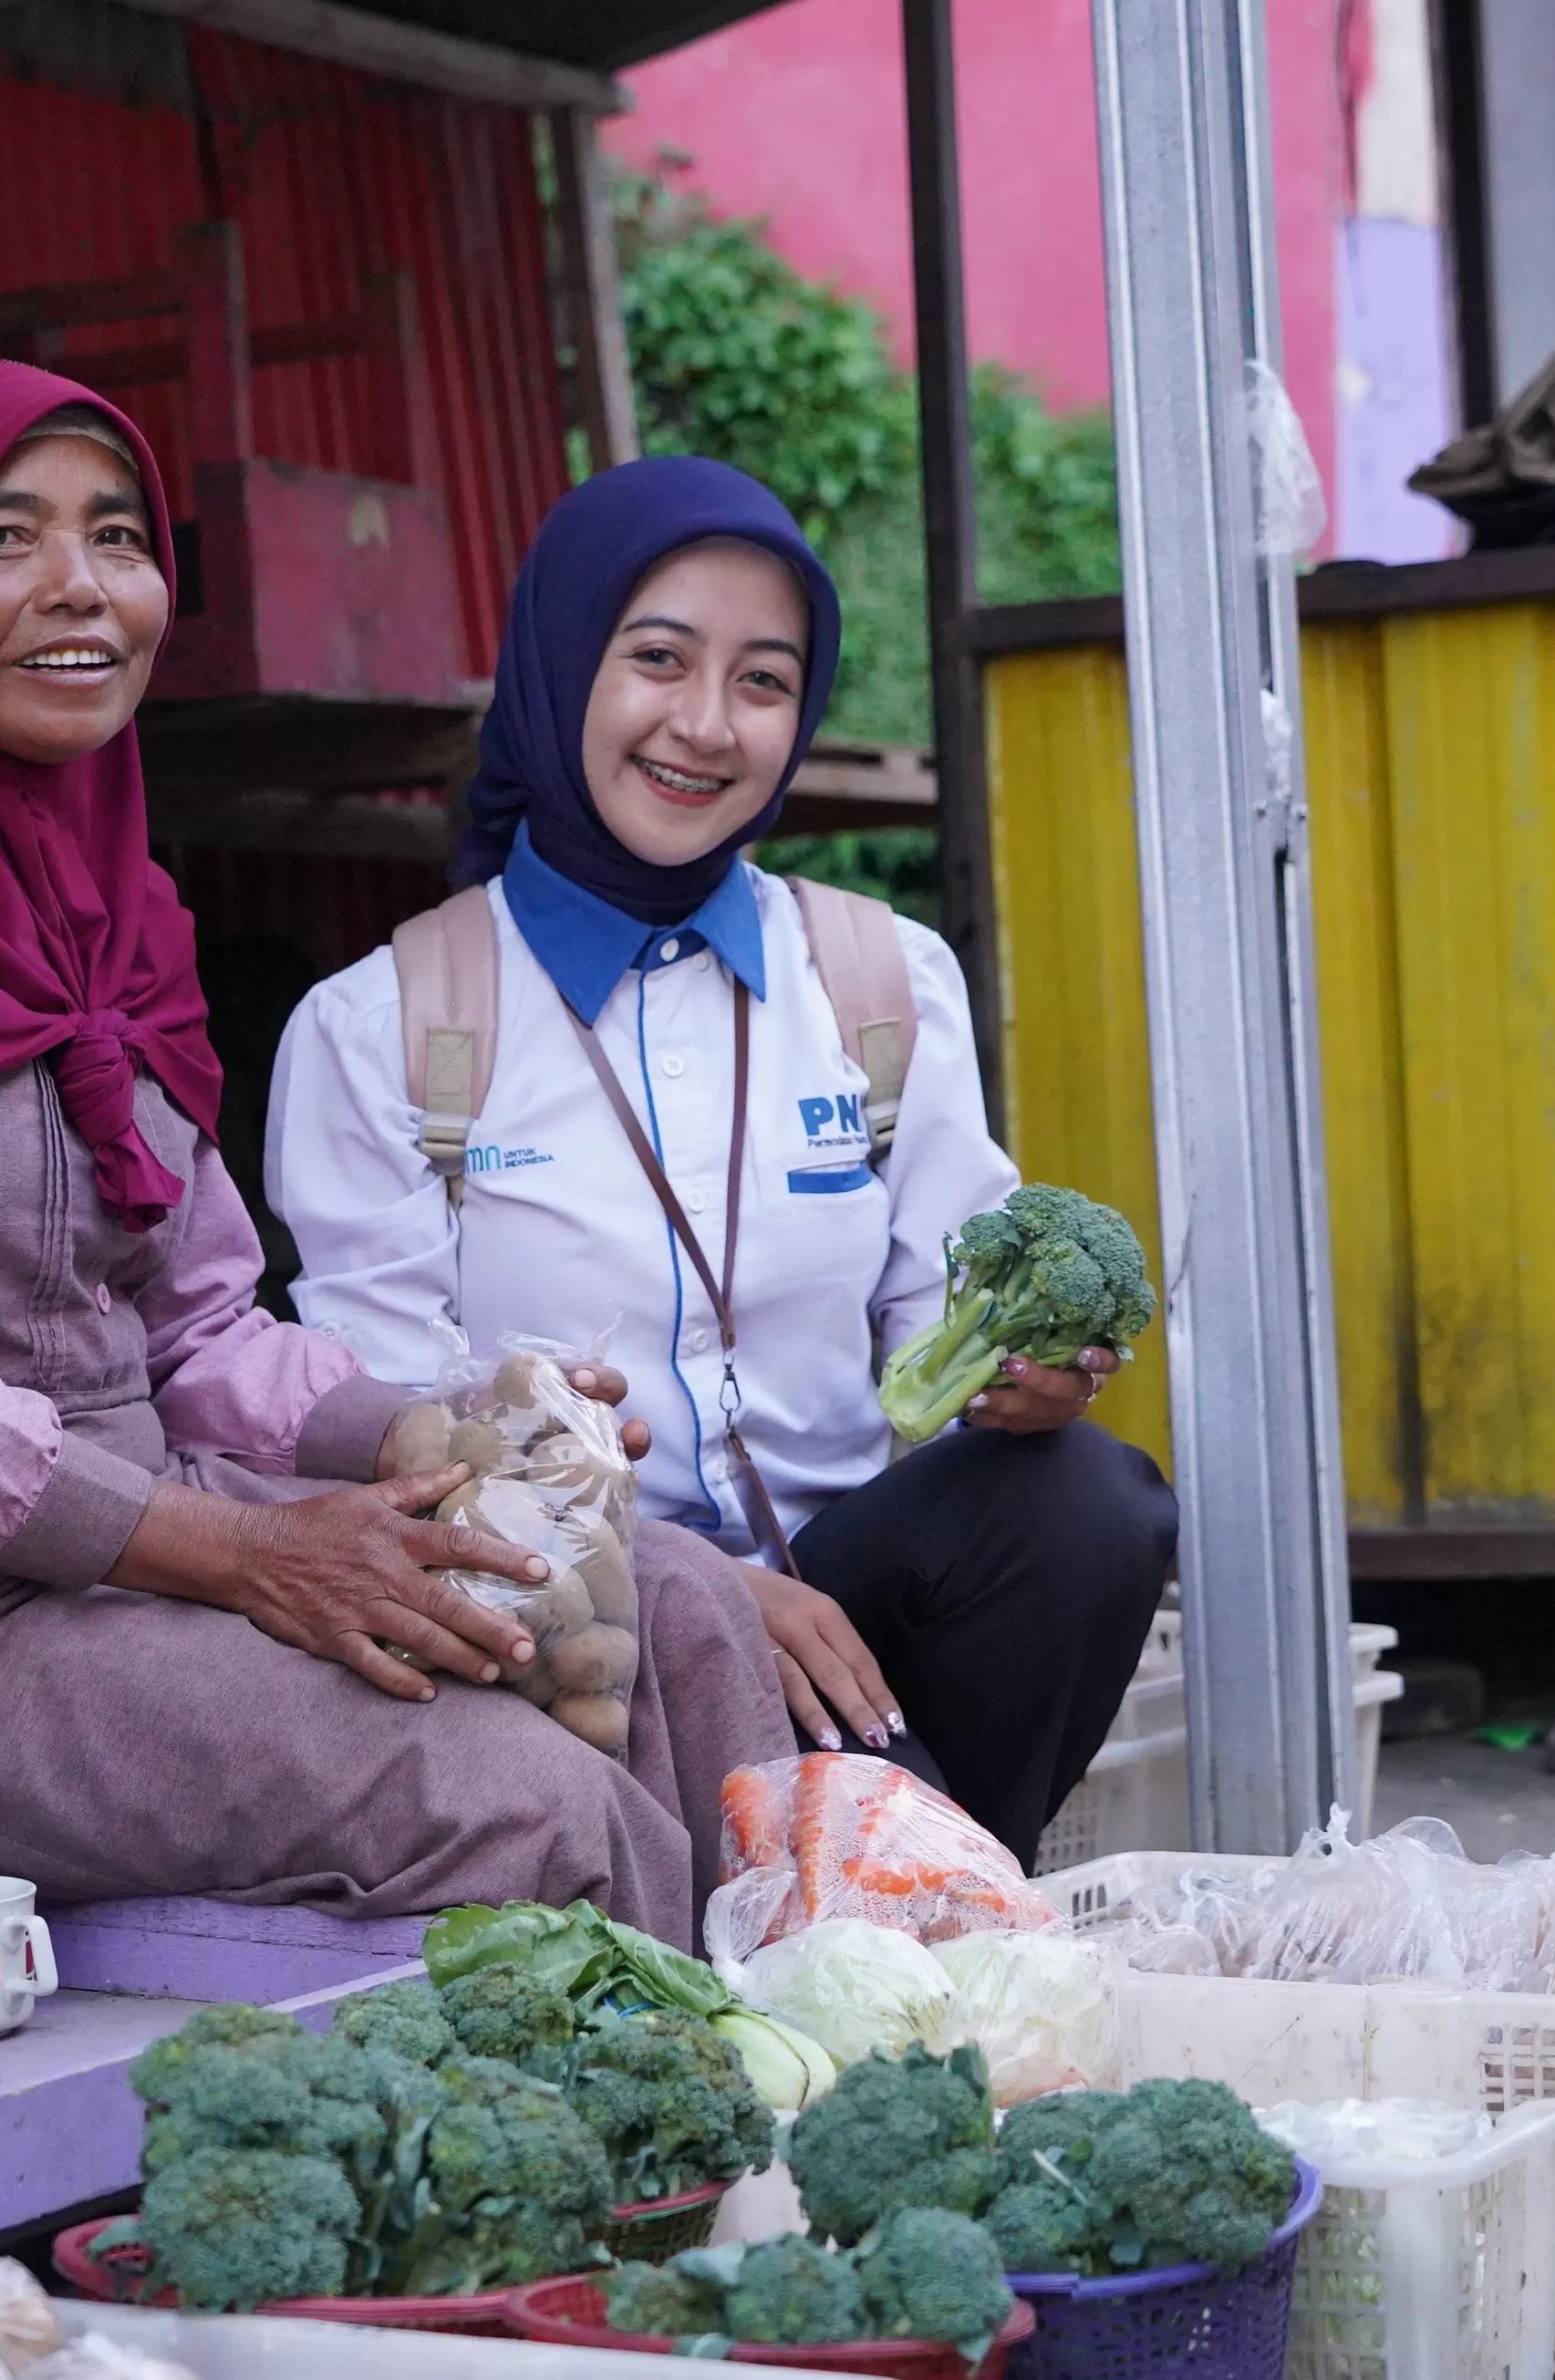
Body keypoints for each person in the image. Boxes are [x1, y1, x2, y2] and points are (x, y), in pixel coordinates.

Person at [0, 362, 790, 1942]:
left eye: (119, 538)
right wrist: (245, 1552)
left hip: (125, 1564)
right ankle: (658, 2162)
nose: (81, 588)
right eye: (4, 538)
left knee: (679, 1606)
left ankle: (805, 2085)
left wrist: (450, 1428)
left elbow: (200, 1329)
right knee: (509, 1791)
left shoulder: (111, 906)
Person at [267, 457, 1175, 1868]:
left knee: (1091, 1509)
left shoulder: (877, 976)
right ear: (564, 663)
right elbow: (403, 1436)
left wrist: (1014, 1364)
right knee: (883, 1893)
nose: (706, 725)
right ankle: (910, 1907)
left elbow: (945, 1283)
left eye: (762, 681)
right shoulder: (380, 1028)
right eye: (657, 660)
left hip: (859, 1583)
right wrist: (700, 1588)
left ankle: (892, 1897)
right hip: (568, 1620)